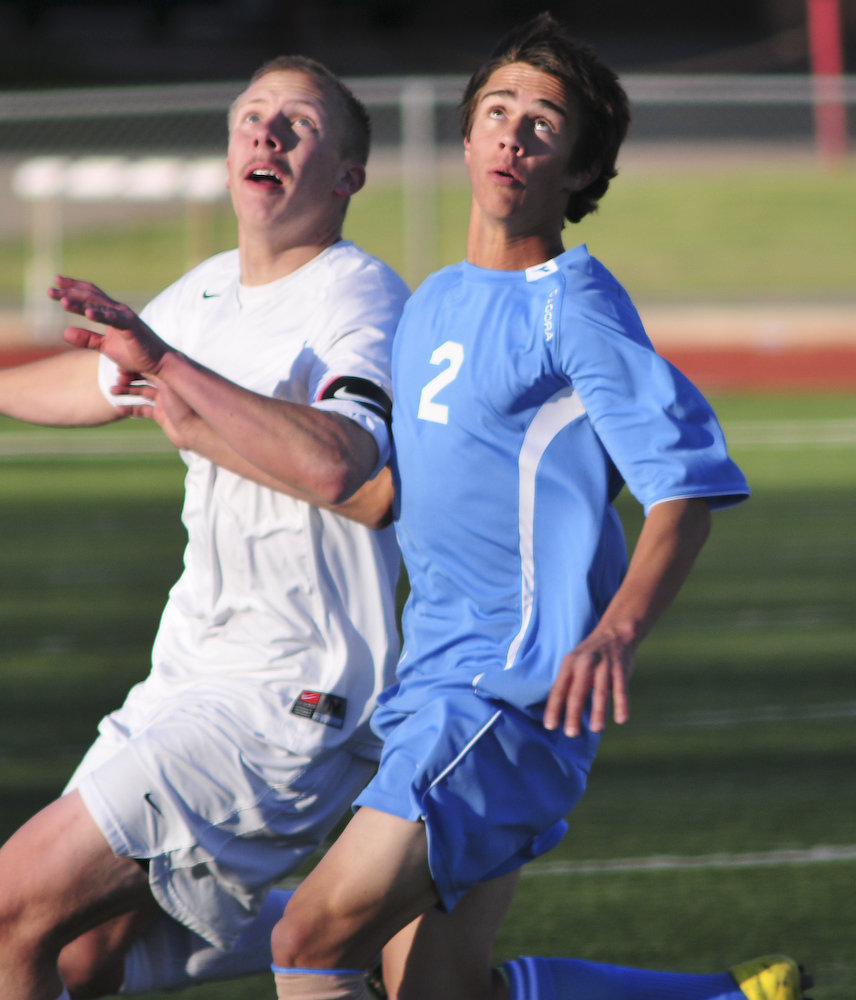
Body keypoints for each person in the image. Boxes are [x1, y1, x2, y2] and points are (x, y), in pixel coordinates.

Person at [268, 15, 810, 1000]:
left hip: (506, 694)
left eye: (542, 124)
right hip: (431, 684)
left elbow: (681, 484)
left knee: (313, 935)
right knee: (436, 989)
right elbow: (397, 494)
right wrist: (187, 401)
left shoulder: (575, 303)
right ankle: (721, 998)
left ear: (577, 168)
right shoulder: (431, 300)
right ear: (467, 135)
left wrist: (617, 631)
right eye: (498, 112)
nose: (513, 135)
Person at [0, 56, 409, 1000]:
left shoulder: (359, 298)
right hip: (186, 672)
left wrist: (167, 365)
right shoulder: (203, 293)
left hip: (287, 688)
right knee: (80, 957)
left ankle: (359, 926)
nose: (266, 134)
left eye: (298, 125)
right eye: (251, 116)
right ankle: (366, 929)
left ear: (347, 176)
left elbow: (340, 465)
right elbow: (101, 382)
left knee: (1, 914)